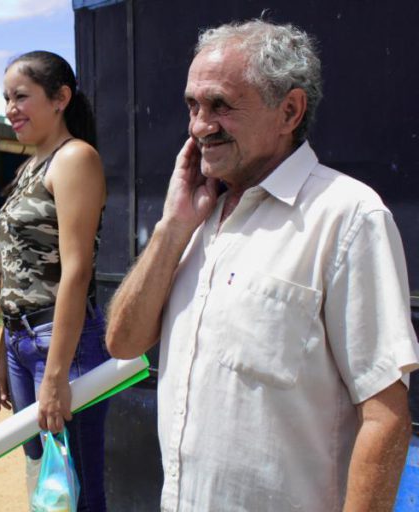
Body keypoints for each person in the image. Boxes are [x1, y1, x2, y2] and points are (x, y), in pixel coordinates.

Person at [106, 19, 419, 511]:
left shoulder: (347, 216)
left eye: (220, 105)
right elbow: (123, 342)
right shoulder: (196, 215)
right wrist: (172, 228)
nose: (198, 126)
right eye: (192, 105)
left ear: (289, 110)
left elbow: (386, 417)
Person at [0, 50, 110, 511]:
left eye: (22, 96)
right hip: (22, 342)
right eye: (6, 98)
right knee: (47, 477)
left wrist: (57, 374)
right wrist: (4, 352)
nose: (10, 109)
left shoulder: (75, 157)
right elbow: (19, 271)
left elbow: (75, 271)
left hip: (61, 344)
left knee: (76, 487)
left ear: (60, 98)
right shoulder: (28, 167)